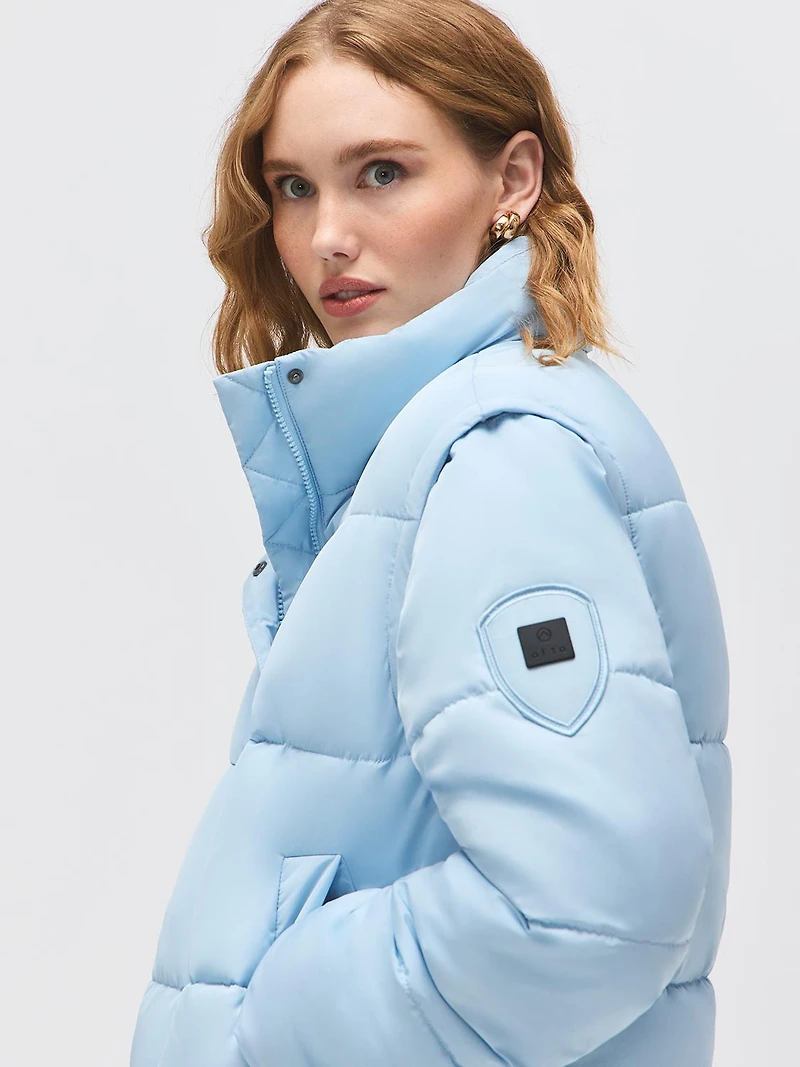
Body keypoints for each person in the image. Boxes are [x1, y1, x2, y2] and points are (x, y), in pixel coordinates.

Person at [129, 1, 731, 1065]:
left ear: (512, 180)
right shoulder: (441, 441)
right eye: (292, 187)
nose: (327, 235)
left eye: (381, 173)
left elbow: (589, 910)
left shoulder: (500, 456)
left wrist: (272, 1023)